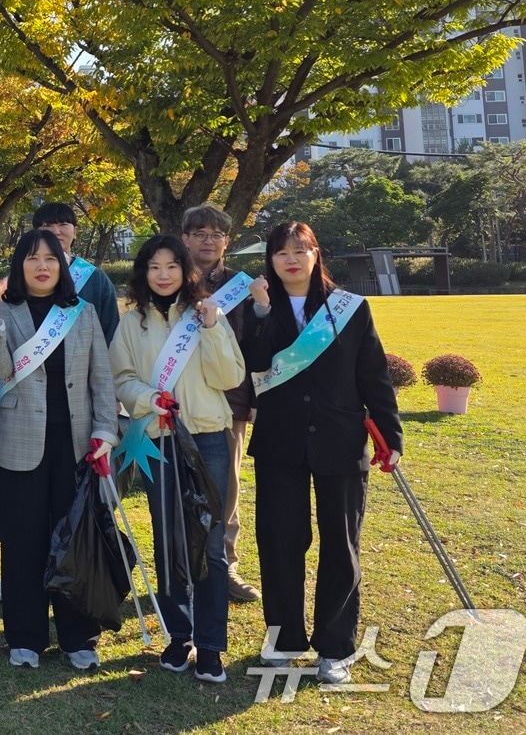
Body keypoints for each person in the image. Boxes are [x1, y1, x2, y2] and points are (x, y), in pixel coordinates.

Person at [241, 221, 403, 685]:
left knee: (341, 544)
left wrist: (389, 437)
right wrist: (259, 312)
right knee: (279, 543)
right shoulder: (258, 307)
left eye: (300, 250)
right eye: (281, 252)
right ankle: (283, 639)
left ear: (316, 255)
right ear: (270, 260)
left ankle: (335, 647)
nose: (291, 259)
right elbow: (253, 370)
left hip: (340, 439)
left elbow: (373, 375)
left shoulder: (349, 307)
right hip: (279, 443)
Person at [0, 229, 117, 671]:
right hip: (21, 444)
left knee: (75, 538)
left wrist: (106, 433)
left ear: (62, 265)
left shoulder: (83, 312)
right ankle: (25, 635)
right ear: (19, 265)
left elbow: (102, 380)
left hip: (76, 446)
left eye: (51, 259)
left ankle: (79, 635)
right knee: (24, 543)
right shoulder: (7, 311)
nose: (42, 266)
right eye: (33, 258)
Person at [111, 235, 245, 684]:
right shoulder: (133, 323)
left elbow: (230, 376)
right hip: (158, 438)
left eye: (171, 266)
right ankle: (178, 634)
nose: (163, 274)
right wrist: (150, 398)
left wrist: (210, 329)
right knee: (169, 539)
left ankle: (210, 646)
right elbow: (121, 378)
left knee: (210, 542)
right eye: (154, 267)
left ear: (185, 271)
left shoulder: (206, 316)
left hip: (207, 437)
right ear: (143, 273)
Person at [180, 203, 262, 603]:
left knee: (225, 488)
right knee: (179, 486)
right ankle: (181, 566)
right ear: (185, 238)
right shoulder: (169, 280)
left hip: (228, 404)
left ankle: (225, 564)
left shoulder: (241, 287)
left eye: (216, 234)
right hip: (176, 404)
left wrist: (252, 402)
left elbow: (255, 346)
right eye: (199, 233)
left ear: (227, 241)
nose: (208, 240)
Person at [31, 202, 121, 343]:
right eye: (47, 225)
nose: (55, 231)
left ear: (75, 232)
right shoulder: (24, 275)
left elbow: (111, 332)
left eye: (63, 224)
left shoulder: (95, 278)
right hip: (33, 361)